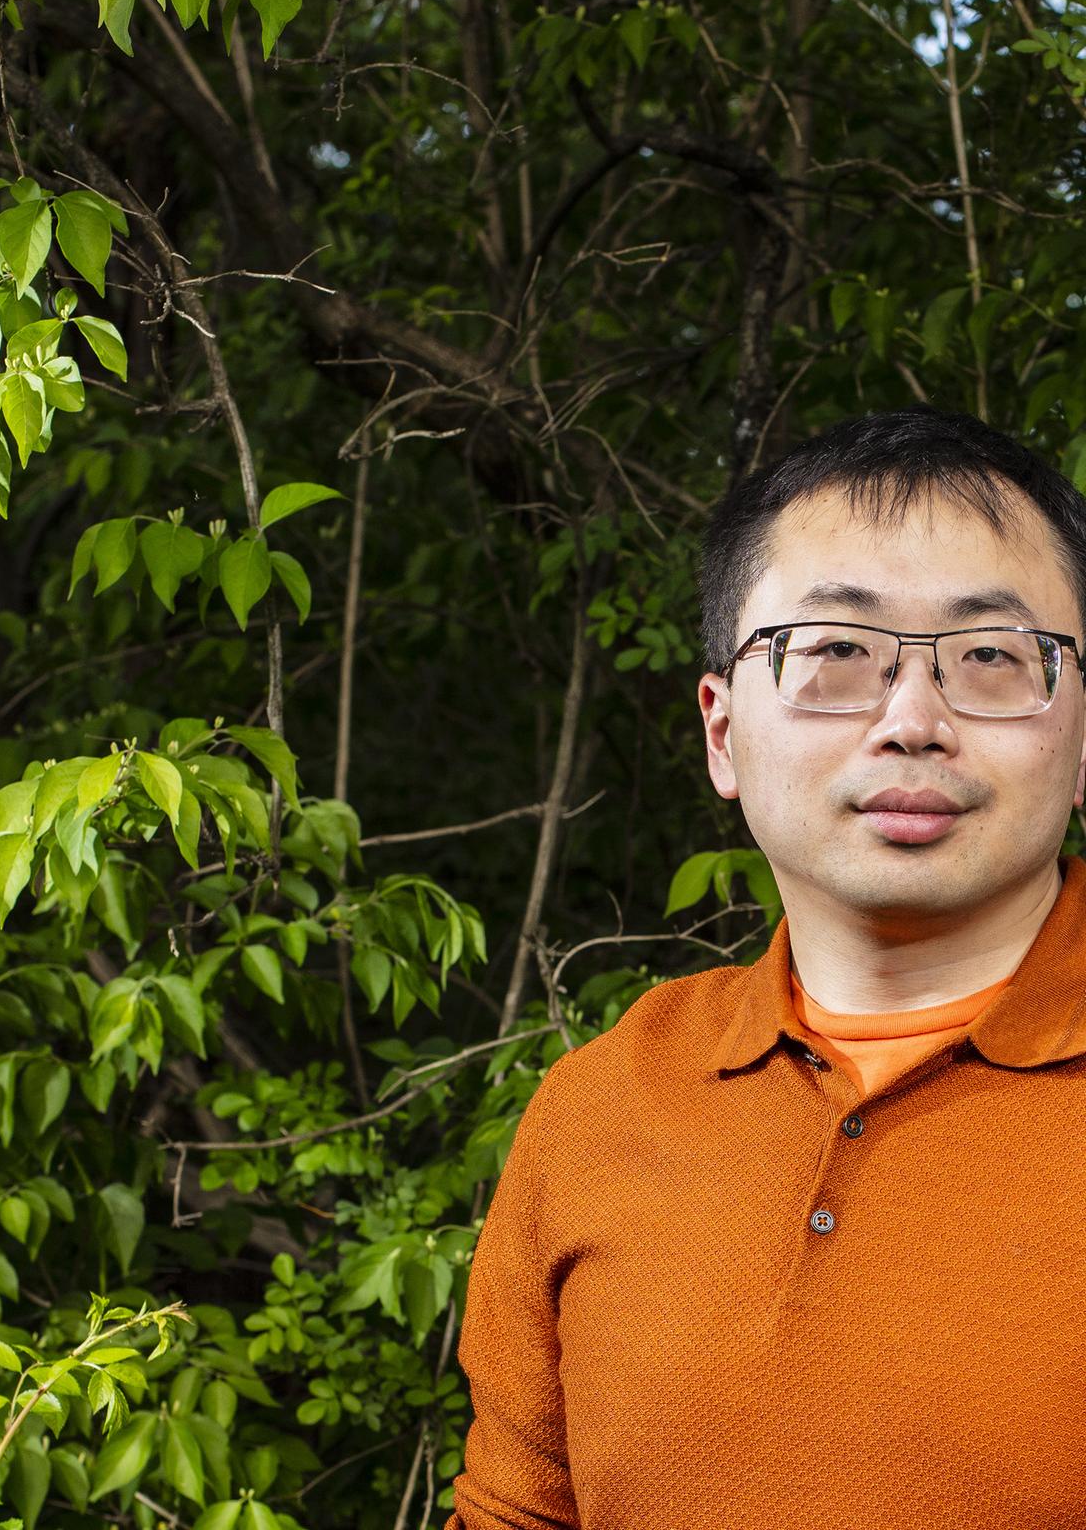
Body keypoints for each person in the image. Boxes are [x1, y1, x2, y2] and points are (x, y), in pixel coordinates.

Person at [446, 407, 1086, 1530]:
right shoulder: (601, 1107)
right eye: (837, 652)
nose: (913, 720)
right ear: (720, 730)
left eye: (990, 655)